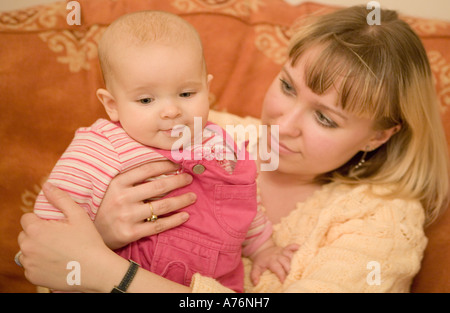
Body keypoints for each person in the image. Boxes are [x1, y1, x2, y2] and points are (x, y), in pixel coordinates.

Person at [18, 5, 449, 293]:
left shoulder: (384, 220)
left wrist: (113, 274)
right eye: (286, 86)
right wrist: (102, 234)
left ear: (378, 136)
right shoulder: (203, 131)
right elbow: (49, 260)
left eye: (325, 118)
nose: (283, 122)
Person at [31, 11, 289, 292]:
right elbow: (54, 226)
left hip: (213, 287)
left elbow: (242, 205)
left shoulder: (220, 143)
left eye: (186, 94)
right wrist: (96, 239)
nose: (171, 111)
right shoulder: (99, 148)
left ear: (207, 88)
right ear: (112, 105)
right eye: (146, 99)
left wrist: (263, 247)